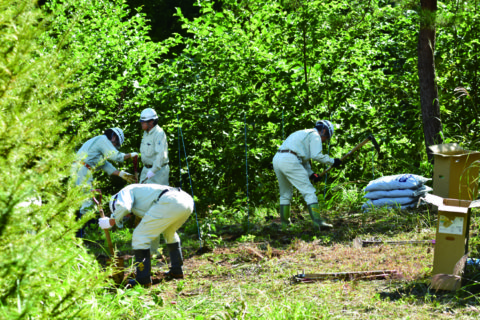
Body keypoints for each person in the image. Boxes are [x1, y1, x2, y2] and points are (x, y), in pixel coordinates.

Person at [98, 184, 194, 288]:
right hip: (186, 201)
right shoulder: (142, 197)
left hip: (170, 201)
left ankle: (143, 279)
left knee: (139, 236)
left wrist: (111, 221)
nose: (128, 215)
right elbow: (152, 230)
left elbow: (124, 207)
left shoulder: (124, 192)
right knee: (169, 232)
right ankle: (177, 270)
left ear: (115, 203)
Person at [272, 120, 342, 230]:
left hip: (278, 159)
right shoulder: (315, 136)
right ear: (324, 131)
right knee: (309, 191)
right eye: (326, 137)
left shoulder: (303, 133)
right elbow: (316, 156)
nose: (324, 141)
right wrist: (333, 161)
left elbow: (302, 158)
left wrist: (311, 174)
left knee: (285, 193)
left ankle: (285, 225)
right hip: (290, 160)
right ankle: (318, 223)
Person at [74, 127, 137, 237]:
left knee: (84, 202)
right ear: (113, 137)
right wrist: (131, 155)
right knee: (87, 203)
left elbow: (104, 164)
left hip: (81, 170)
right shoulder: (103, 140)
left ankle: (84, 234)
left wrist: (121, 174)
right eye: (116, 144)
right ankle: (82, 236)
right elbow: (115, 156)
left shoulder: (98, 145)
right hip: (82, 170)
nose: (114, 147)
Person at [139, 108, 169, 185]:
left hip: (158, 171)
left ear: (151, 122)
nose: (141, 123)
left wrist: (152, 171)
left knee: (156, 195)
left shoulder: (159, 133)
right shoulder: (146, 133)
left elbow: (160, 155)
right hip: (146, 169)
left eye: (143, 122)